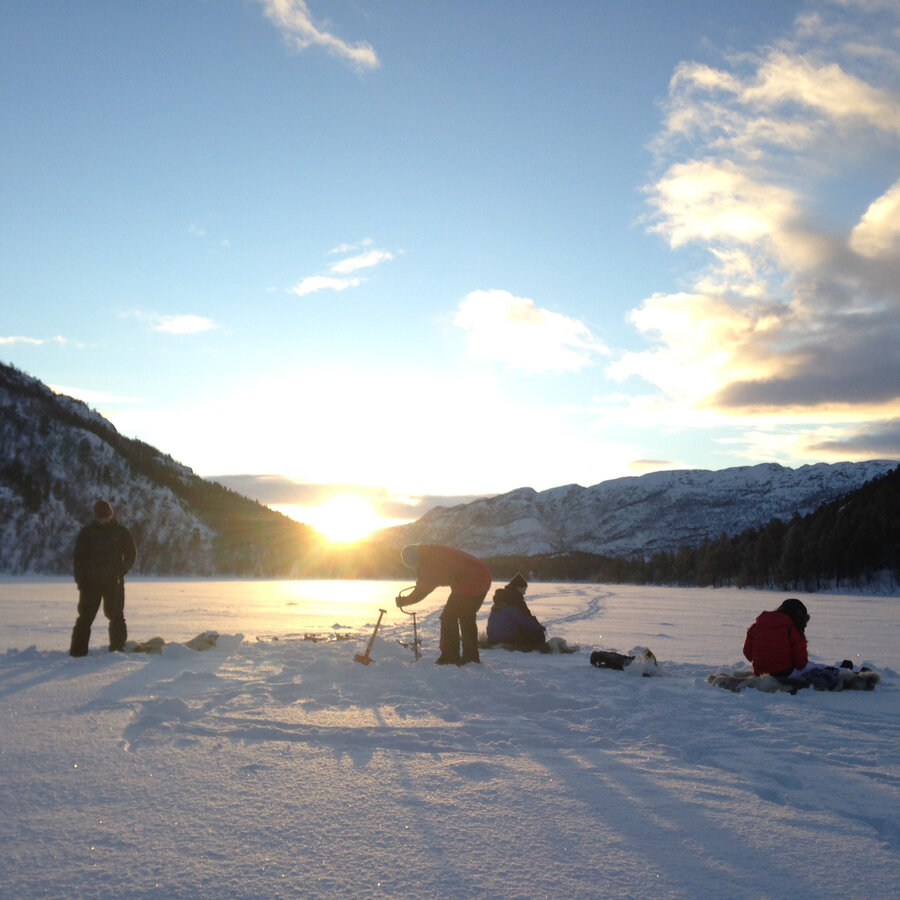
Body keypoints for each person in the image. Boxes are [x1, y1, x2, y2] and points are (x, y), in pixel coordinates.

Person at [396, 544, 492, 665]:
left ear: (416, 560)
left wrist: (405, 601)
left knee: (448, 617)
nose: (414, 568)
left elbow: (422, 590)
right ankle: (471, 657)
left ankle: (450, 657)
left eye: (413, 565)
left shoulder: (430, 564)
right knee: (466, 616)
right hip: (481, 576)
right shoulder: (430, 552)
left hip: (471, 581)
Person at [69, 500, 137, 657]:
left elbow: (131, 554)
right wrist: (81, 581)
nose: (104, 519)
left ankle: (118, 648)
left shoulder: (121, 531)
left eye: (106, 516)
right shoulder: (87, 532)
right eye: (101, 517)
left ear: (111, 514)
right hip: (90, 583)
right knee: (85, 616)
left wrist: (122, 570)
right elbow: (79, 558)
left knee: (116, 615)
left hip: (114, 582)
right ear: (96, 516)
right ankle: (77, 652)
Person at [742, 597, 809, 677]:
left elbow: (748, 653)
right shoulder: (792, 628)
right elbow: (800, 663)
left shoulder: (757, 625)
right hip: (783, 673)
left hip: (759, 671)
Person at [486, 573, 547, 651]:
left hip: (492, 637)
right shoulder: (516, 601)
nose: (524, 593)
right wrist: (539, 628)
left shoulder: (500, 598)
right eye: (524, 589)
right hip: (506, 638)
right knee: (539, 636)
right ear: (518, 587)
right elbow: (526, 621)